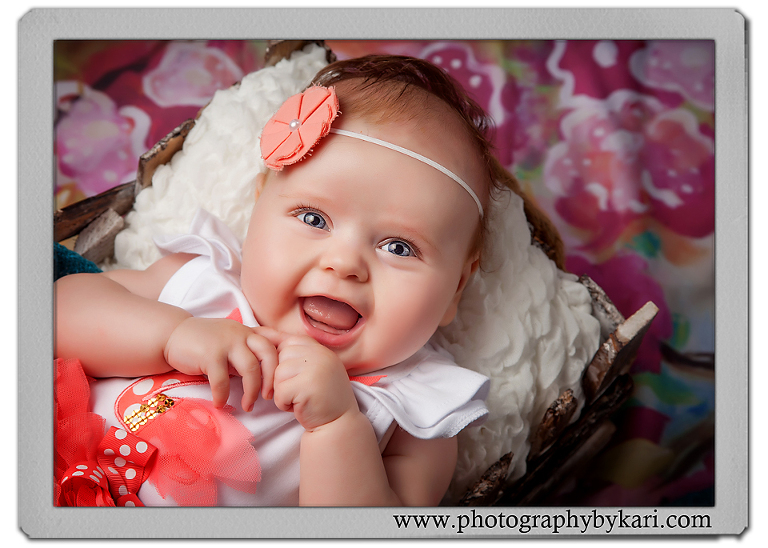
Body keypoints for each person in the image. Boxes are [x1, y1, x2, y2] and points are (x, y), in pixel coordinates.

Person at [54, 55, 498, 507]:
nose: (345, 263)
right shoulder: (203, 285)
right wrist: (172, 335)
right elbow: (55, 312)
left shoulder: (415, 413)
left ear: (455, 290)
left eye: (400, 247)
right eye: (313, 218)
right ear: (259, 208)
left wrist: (337, 425)